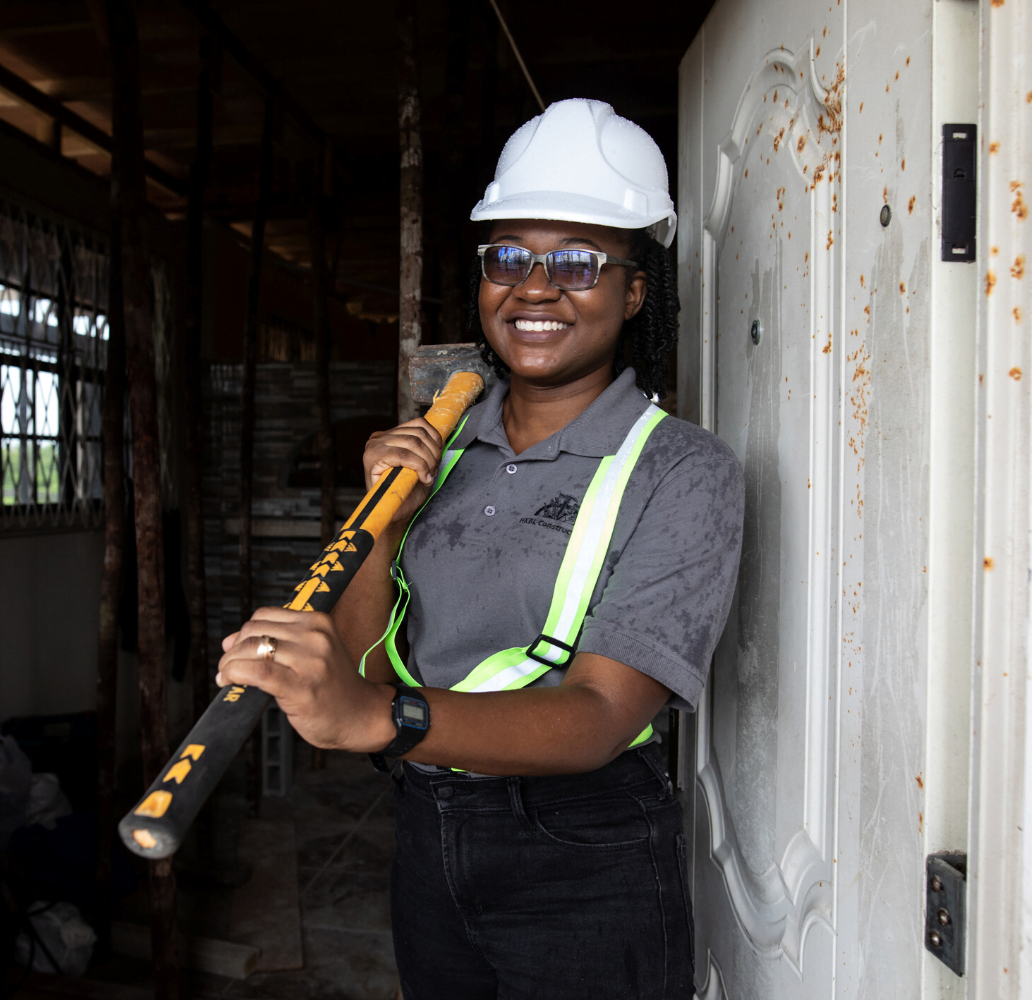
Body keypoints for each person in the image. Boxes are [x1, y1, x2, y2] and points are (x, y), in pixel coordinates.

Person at [216, 99, 744, 1000]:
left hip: (585, 854)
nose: (535, 288)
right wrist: (384, 515)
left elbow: (599, 717)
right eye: (509, 258)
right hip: (429, 827)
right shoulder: (442, 448)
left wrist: (384, 719)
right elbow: (359, 645)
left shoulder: (683, 472)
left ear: (636, 290)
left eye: (577, 262)